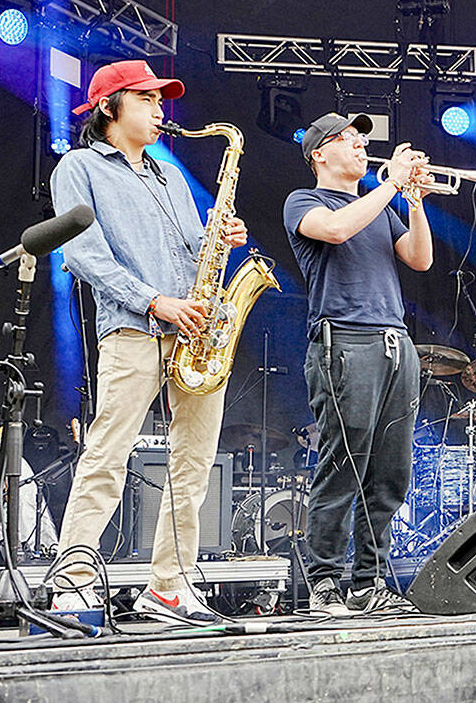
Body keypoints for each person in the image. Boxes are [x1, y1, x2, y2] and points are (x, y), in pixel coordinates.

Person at [50, 60, 248, 623]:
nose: (161, 112)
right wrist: (154, 300)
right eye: (147, 100)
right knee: (107, 454)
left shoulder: (171, 175)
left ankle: (170, 585)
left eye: (161, 102)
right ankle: (74, 583)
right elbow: (83, 254)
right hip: (135, 327)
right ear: (109, 108)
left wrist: (223, 237)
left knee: (194, 463)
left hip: (194, 333)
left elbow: (193, 253)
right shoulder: (80, 166)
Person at [283, 112, 435, 614]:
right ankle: (324, 580)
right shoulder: (305, 201)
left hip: (395, 342)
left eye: (360, 141)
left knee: (391, 471)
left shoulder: (379, 204)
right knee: (343, 464)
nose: (358, 147)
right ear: (318, 154)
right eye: (346, 140)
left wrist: (413, 203)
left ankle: (370, 581)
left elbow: (420, 259)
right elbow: (335, 230)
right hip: (344, 340)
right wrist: (390, 183)